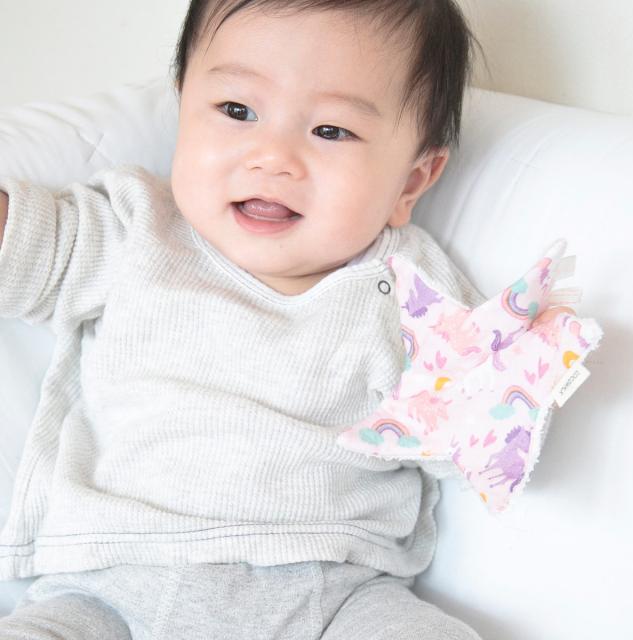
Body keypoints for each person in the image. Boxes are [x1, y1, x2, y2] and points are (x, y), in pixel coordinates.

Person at [0, 1, 571, 638]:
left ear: (411, 181)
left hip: (333, 595)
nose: (273, 158)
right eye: (237, 111)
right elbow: (27, 251)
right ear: (182, 109)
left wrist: (519, 372)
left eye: (331, 131)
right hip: (105, 589)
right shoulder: (135, 228)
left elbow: (471, 430)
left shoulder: (410, 291)